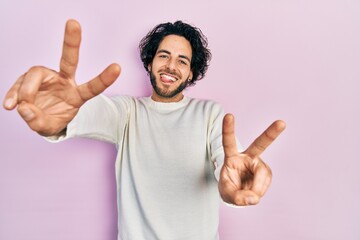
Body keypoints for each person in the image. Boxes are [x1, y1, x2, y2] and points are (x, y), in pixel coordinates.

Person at [3, 19, 286, 240]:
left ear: (191, 73)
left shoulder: (210, 114)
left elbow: (227, 166)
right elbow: (89, 113)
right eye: (164, 56)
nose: (171, 66)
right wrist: (63, 114)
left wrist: (231, 187)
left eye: (182, 61)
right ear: (150, 62)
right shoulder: (128, 113)